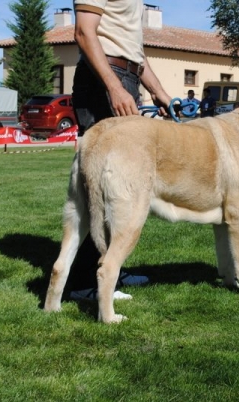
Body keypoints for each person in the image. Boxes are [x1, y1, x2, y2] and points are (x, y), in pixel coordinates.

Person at [69, 0, 173, 301]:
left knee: (123, 188)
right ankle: (84, 282)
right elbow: (84, 33)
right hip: (102, 78)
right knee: (108, 185)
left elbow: (134, 53)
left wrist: (160, 93)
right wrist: (114, 87)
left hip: (124, 75)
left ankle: (109, 266)